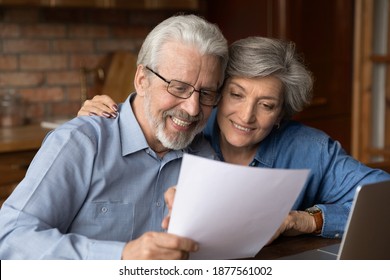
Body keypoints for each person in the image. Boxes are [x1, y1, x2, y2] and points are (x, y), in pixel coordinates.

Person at [79, 36, 390, 243]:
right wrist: (110, 122)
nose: (246, 116)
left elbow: (382, 202)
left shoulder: (309, 149)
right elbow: (145, 119)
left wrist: (305, 220)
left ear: (283, 112)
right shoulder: (187, 125)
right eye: (236, 95)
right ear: (216, 93)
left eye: (267, 105)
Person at [0, 14, 229, 260]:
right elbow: (10, 238)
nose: (193, 108)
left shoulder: (206, 156)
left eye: (206, 93)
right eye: (178, 88)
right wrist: (121, 256)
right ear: (142, 81)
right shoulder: (81, 142)